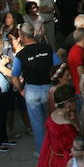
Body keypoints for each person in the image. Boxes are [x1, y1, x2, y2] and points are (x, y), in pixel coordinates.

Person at [12, 22, 61, 155]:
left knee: (37, 123)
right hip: (48, 87)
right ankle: (55, 148)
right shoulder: (47, 48)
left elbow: (14, 76)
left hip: (31, 90)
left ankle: (41, 151)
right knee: (52, 119)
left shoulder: (20, 55)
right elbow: (59, 67)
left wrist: (21, 89)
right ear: (33, 33)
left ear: (21, 36)